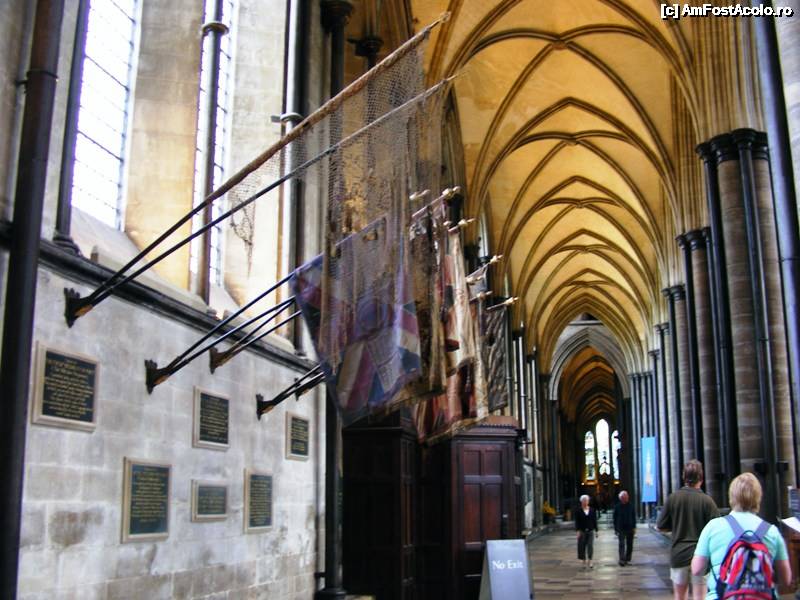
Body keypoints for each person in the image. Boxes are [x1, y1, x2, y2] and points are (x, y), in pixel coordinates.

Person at [691, 473, 792, 599]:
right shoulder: (772, 531)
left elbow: (697, 569)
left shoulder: (713, 526)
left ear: (731, 496)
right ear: (758, 497)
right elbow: (786, 579)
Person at [657, 460, 719, 600]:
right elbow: (716, 529)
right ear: (701, 477)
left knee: (680, 597)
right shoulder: (707, 501)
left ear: (683, 477)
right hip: (701, 556)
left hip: (678, 554)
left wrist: (676, 527)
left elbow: (660, 525)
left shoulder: (673, 498)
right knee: (700, 597)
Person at [575, 494, 599, 569]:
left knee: (590, 546)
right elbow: (577, 522)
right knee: (582, 546)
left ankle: (590, 560)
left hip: (590, 530)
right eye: (584, 501)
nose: (585, 502)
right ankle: (583, 560)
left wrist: (596, 530)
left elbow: (594, 521)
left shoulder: (592, 510)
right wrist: (577, 531)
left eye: (586, 500)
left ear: (588, 502)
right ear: (581, 502)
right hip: (582, 531)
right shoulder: (578, 511)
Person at [613, 490, 636, 566]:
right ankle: (622, 559)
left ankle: (627, 558)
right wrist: (615, 529)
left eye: (627, 496)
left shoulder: (631, 506)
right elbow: (615, 518)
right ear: (621, 498)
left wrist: (634, 527)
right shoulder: (617, 507)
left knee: (630, 544)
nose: (626, 498)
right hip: (621, 528)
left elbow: (633, 517)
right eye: (625, 497)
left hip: (630, 527)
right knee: (621, 544)